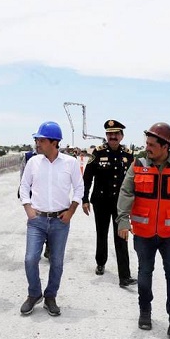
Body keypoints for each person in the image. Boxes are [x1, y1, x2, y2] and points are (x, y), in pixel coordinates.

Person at [116, 122, 170, 339]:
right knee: (144, 274)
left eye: (152, 145)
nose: (148, 148)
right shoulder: (138, 164)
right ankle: (145, 311)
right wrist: (123, 220)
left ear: (165, 146)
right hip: (143, 233)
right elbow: (126, 192)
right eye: (147, 143)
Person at [18, 121, 84, 317]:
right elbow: (24, 187)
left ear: (54, 142)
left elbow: (79, 188)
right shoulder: (33, 162)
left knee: (57, 262)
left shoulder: (70, 163)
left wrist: (71, 211)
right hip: (37, 220)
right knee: (30, 259)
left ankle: (50, 296)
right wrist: (28, 209)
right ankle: (34, 293)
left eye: (41, 140)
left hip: (60, 221)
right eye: (36, 139)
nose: (37, 143)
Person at [82, 119, 136, 287]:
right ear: (106, 136)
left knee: (121, 237)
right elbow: (87, 178)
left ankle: (124, 276)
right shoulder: (97, 153)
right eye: (110, 134)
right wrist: (85, 199)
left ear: (121, 136)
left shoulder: (128, 155)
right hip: (101, 201)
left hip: (120, 204)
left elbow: (135, 181)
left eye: (116, 134)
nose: (112, 137)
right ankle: (101, 262)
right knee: (102, 233)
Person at [18, 147, 50, 260]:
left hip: (46, 194)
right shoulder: (28, 156)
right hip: (32, 194)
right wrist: (22, 191)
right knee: (36, 221)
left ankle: (49, 246)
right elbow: (23, 174)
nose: (38, 143)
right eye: (37, 140)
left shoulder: (52, 154)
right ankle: (37, 248)